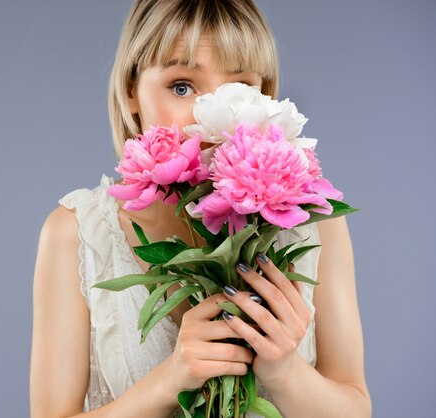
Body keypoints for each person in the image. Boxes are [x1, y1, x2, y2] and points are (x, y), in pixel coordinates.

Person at [30, 0, 371, 416]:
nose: (210, 118)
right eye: (181, 86)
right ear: (130, 92)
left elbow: (356, 408)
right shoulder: (77, 232)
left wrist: (285, 372)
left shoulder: (313, 223)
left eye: (239, 89)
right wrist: (171, 379)